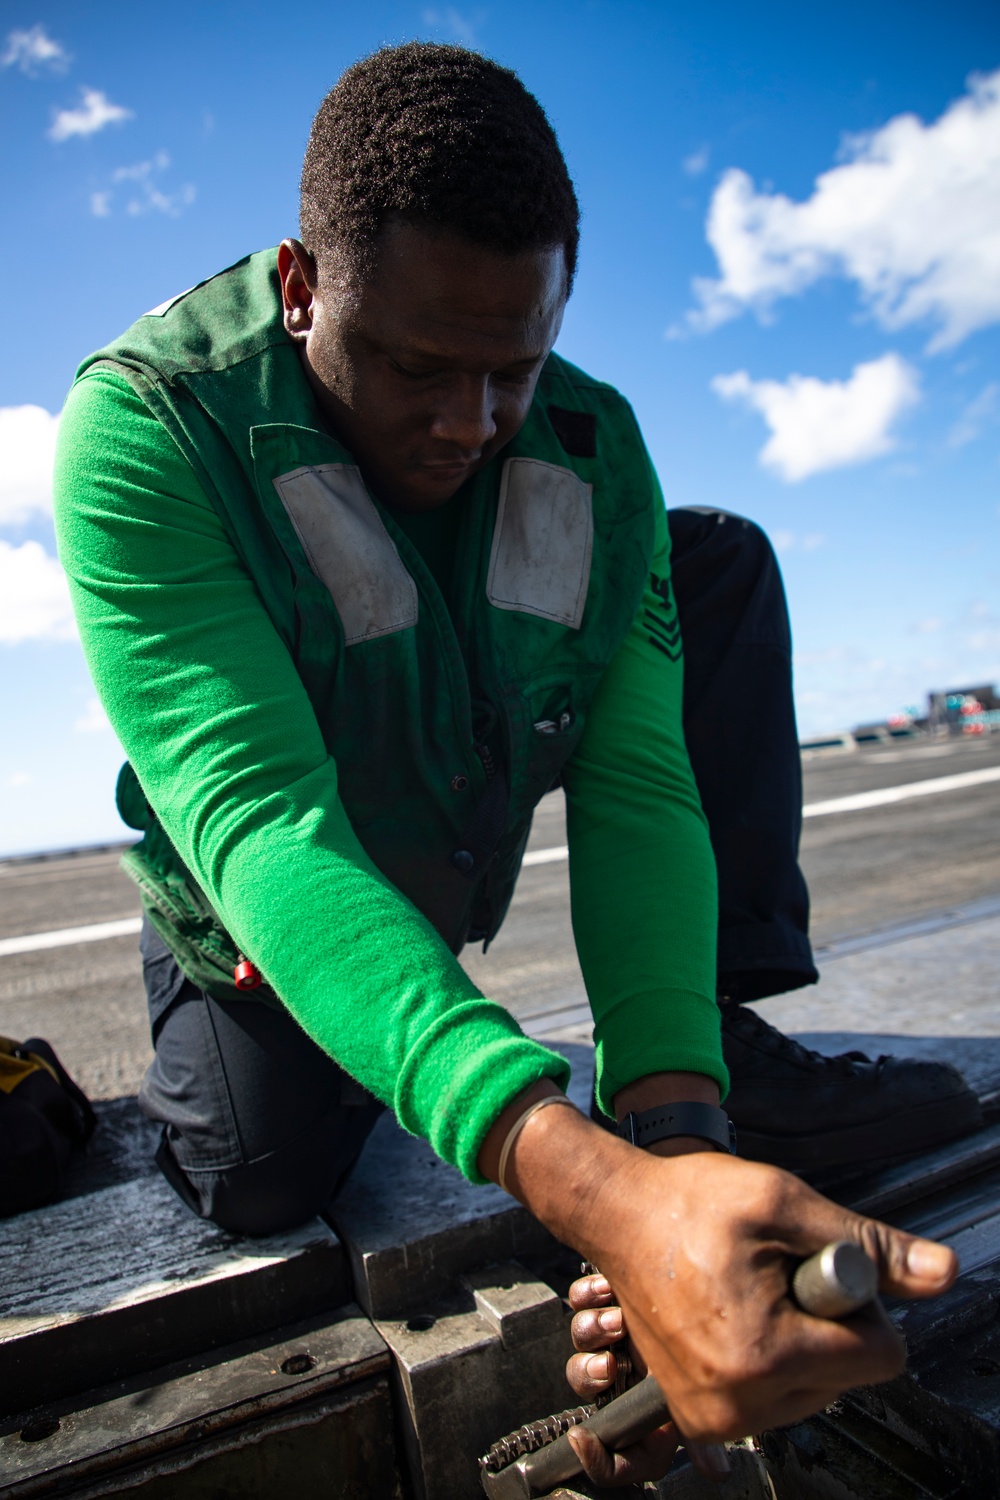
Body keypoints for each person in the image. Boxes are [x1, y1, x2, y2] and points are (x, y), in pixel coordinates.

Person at [54, 42, 963, 1482]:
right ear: (303, 288)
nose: (471, 425)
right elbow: (262, 821)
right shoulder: (148, 431)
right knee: (259, 1175)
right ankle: (362, 1027)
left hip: (447, 838)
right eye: (419, 367)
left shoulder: (597, 449)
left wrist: (671, 1139)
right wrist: (580, 1179)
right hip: (253, 906)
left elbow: (637, 787)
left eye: (513, 372)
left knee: (708, 560)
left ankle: (727, 1056)